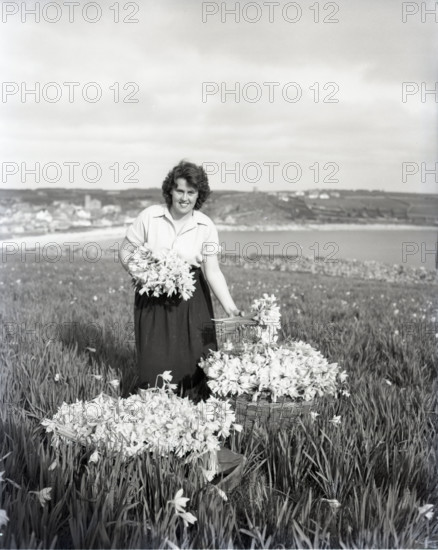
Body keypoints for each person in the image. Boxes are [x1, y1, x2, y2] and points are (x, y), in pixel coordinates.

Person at [119, 160, 242, 401]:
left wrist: (231, 308)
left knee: (195, 359)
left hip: (191, 299)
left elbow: (213, 271)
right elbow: (125, 250)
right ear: (170, 191)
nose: (184, 198)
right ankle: (152, 406)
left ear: (199, 195)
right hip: (153, 299)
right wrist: (142, 274)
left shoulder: (205, 225)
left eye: (191, 192)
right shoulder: (150, 216)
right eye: (180, 191)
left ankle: (194, 406)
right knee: (153, 359)